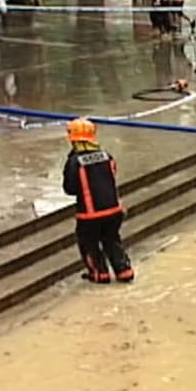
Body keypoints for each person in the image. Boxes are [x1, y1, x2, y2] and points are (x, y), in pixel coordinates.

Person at [62, 118, 135, 284]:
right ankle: (124, 270)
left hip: (90, 214)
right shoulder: (106, 156)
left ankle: (99, 274)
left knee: (89, 243)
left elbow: (69, 188)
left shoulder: (75, 162)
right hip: (113, 210)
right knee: (112, 240)